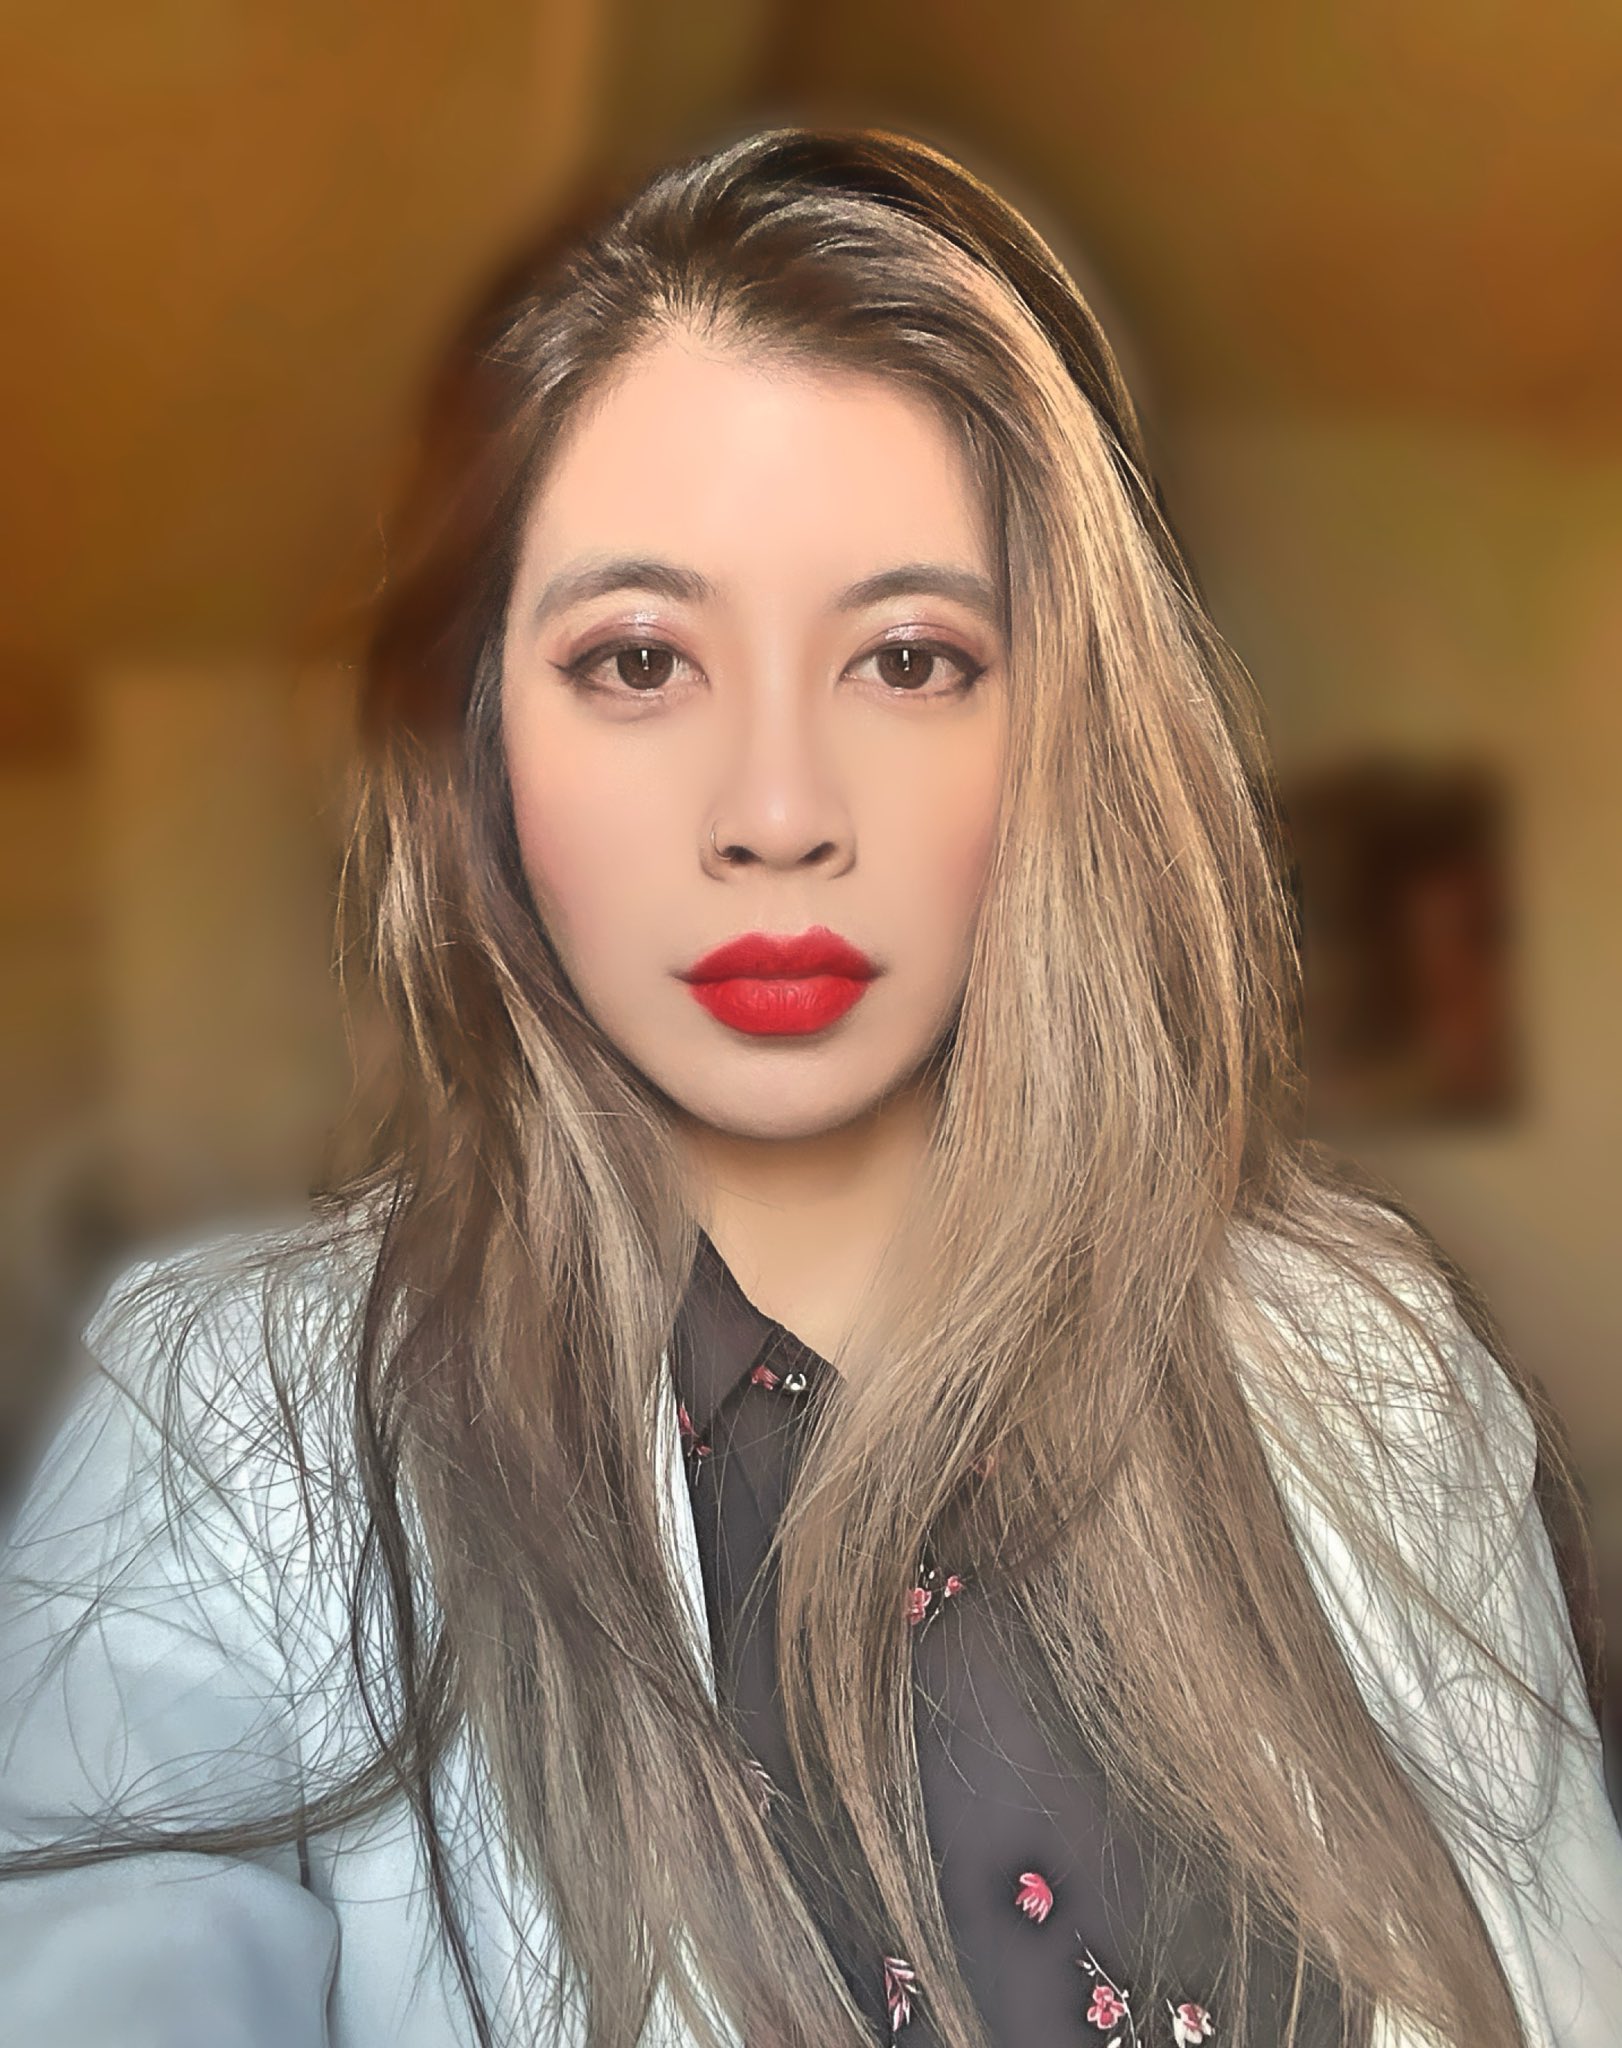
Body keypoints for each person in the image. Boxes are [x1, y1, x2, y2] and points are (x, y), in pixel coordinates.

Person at [0, 124, 1617, 2048]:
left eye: (909, 659)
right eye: (637, 660)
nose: (775, 812)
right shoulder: (228, 1436)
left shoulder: (1372, 1366)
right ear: (478, 747)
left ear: (1061, 733)